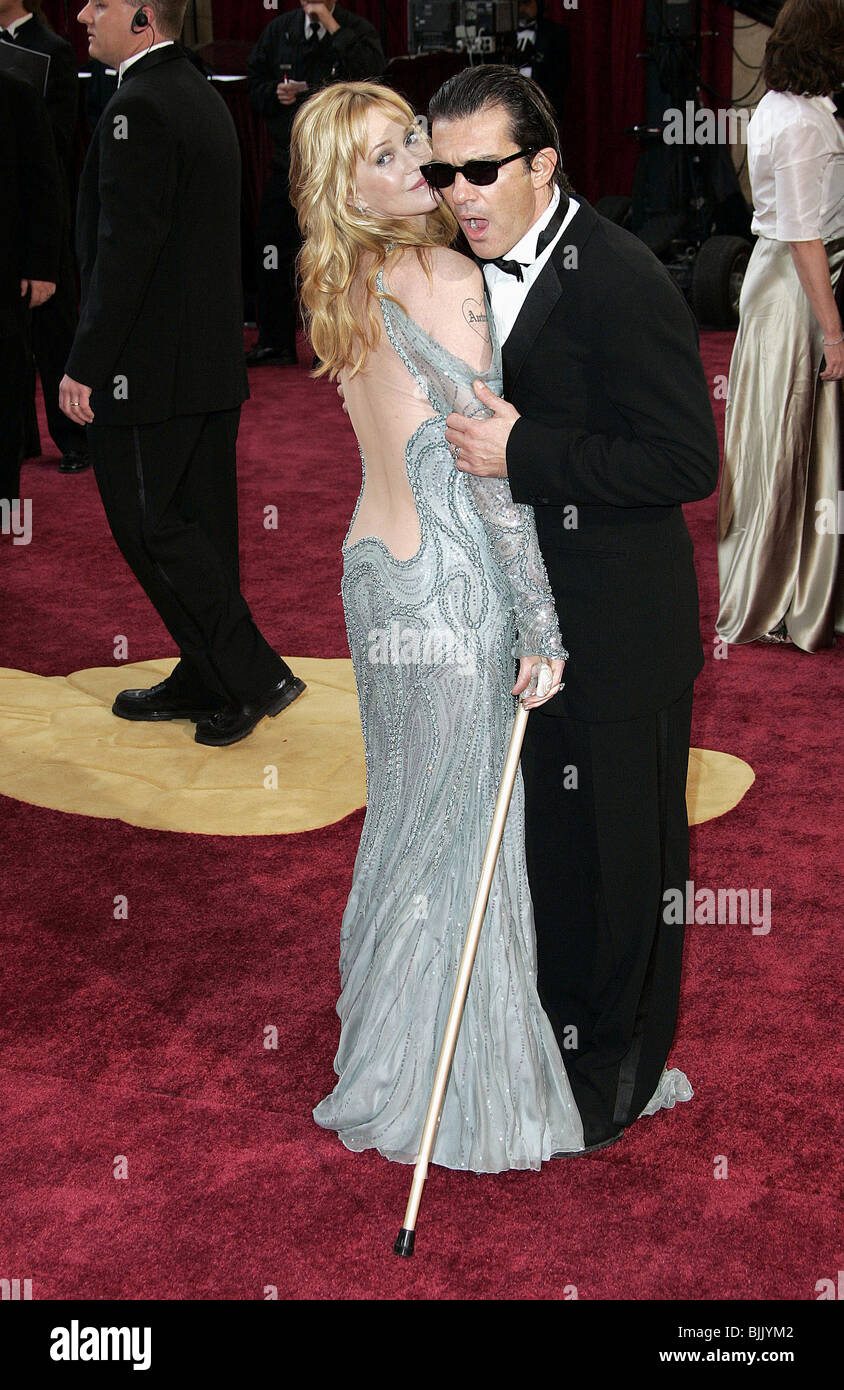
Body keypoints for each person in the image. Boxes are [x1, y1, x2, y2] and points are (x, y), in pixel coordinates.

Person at [289, 80, 585, 1171]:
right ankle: (457, 1087)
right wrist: (540, 623)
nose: (415, 163)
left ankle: (389, 1056)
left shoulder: (343, 276)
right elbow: (486, 472)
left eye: (411, 137)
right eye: (381, 155)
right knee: (462, 831)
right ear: (344, 183)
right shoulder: (443, 273)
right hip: (449, 587)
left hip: (372, 576)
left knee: (410, 817)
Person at [429, 66, 720, 1151]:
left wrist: (524, 453)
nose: (459, 192)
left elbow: (684, 459)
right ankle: (556, 1037)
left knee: (622, 865)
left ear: (543, 164)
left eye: (482, 170)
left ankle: (618, 1072)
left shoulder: (623, 278)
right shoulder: (457, 273)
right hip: (524, 624)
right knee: (552, 851)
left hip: (618, 629)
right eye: (443, 170)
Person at [61, 0, 304, 746]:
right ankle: (208, 677)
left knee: (151, 527)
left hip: (147, 372)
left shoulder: (140, 104)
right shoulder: (198, 91)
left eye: (99, 3)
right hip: (204, 365)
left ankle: (251, 674)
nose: (81, 15)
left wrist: (86, 365)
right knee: (201, 527)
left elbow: (125, 252)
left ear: (142, 17)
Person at [717, 0, 844, 652]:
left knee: (782, 442)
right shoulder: (804, 123)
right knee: (789, 444)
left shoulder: (782, 108)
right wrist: (835, 330)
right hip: (798, 294)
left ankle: (796, 588)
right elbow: (805, 237)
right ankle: (780, 596)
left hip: (781, 285)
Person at [246, 2, 386, 366]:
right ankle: (275, 340)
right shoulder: (279, 30)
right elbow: (254, 82)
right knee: (273, 251)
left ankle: (334, 344)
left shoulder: (355, 29)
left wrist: (328, 21)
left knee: (334, 254)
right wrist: (274, 93)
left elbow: (372, 76)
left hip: (340, 168)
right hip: (288, 164)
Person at [0, 0, 90, 474]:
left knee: (55, 334)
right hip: (9, 219)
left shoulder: (52, 48)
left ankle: (73, 437)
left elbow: (55, 139)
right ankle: (20, 440)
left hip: (42, 211)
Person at [0, 66, 61, 503]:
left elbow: (44, 186)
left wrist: (42, 266)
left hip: (5, 272)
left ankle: (4, 500)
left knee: (5, 383)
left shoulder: (17, 98)